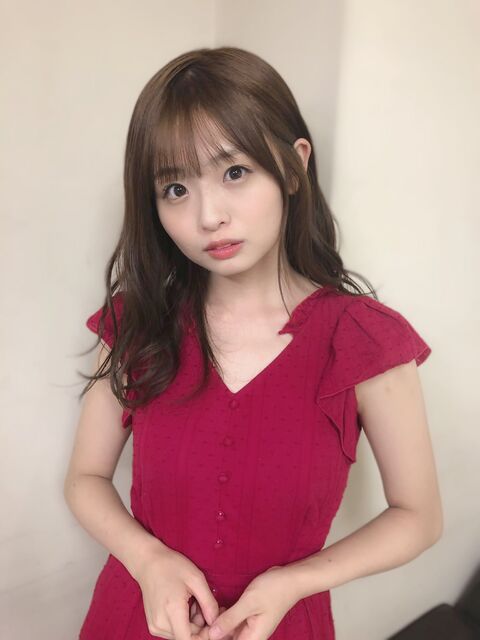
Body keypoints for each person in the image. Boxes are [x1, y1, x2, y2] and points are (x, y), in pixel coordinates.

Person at [64, 46, 443, 640]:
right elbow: (85, 477)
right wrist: (148, 561)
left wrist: (293, 583)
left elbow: (418, 517)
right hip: (135, 618)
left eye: (234, 172)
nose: (208, 216)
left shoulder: (364, 339)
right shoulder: (138, 321)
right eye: (175, 189)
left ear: (293, 167)